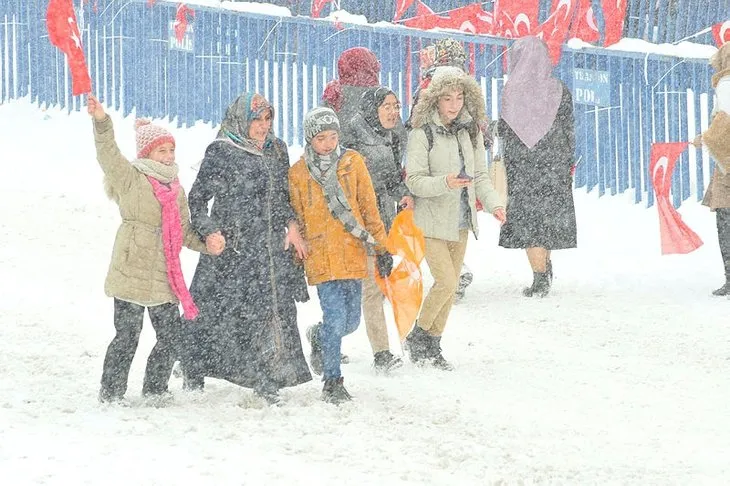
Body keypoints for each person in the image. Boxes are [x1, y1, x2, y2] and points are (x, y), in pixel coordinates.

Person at [182, 93, 312, 405]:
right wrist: (210, 232)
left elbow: (282, 196)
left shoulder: (277, 149)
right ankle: (194, 365)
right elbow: (197, 200)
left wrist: (292, 225)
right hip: (232, 250)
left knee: (269, 312)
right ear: (243, 120)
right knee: (217, 314)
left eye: (268, 119)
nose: (263, 126)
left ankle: (267, 379)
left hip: (268, 249)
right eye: (257, 119)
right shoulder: (222, 151)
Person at [88, 95, 213, 404]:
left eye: (171, 150)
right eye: (162, 150)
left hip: (163, 273)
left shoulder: (176, 189)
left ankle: (155, 388)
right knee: (127, 337)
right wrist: (102, 121)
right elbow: (108, 154)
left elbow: (184, 231)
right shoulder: (130, 178)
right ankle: (112, 392)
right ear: (147, 152)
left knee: (171, 337)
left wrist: (208, 244)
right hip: (130, 269)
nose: (169, 156)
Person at [289, 107, 392, 404]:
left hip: (353, 249)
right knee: (335, 319)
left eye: (333, 136)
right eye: (321, 138)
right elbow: (296, 217)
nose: (328, 143)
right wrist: (297, 258)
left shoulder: (352, 163)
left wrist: (382, 247)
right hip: (320, 255)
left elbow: (369, 208)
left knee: (350, 323)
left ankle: (319, 337)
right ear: (310, 139)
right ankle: (332, 381)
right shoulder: (298, 173)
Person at [405, 67, 506, 370]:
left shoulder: (470, 130)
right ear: (435, 99)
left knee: (449, 288)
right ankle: (418, 335)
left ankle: (432, 343)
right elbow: (414, 181)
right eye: (447, 98)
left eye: (459, 97)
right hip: (432, 220)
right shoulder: (421, 132)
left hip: (462, 219)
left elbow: (479, 176)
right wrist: (445, 183)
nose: (454, 104)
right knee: (447, 281)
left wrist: (494, 205)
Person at [497, 36, 577, 298]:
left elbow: (506, 133)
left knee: (529, 224)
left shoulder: (512, 91)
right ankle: (545, 266)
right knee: (547, 221)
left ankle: (539, 277)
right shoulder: (560, 90)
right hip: (553, 165)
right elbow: (569, 129)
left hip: (523, 168)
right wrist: (566, 161)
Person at [341, 86, 413, 373]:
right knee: (362, 291)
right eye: (387, 106)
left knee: (372, 289)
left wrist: (403, 194)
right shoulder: (353, 136)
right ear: (373, 108)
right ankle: (380, 353)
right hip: (356, 224)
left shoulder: (392, 136)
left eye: (396, 105)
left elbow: (392, 178)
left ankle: (327, 337)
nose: (394, 111)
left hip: (382, 220)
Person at [408, 38, 478, 302]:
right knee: (456, 216)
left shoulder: (430, 86)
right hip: (457, 165)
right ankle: (452, 273)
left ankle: (449, 273)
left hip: (433, 162)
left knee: (441, 217)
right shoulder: (464, 86)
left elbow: (416, 119)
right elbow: (475, 122)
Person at [695, 43, 730, 296]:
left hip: (727, 167)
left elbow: (725, 123)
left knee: (726, 222)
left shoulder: (726, 84)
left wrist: (704, 138)